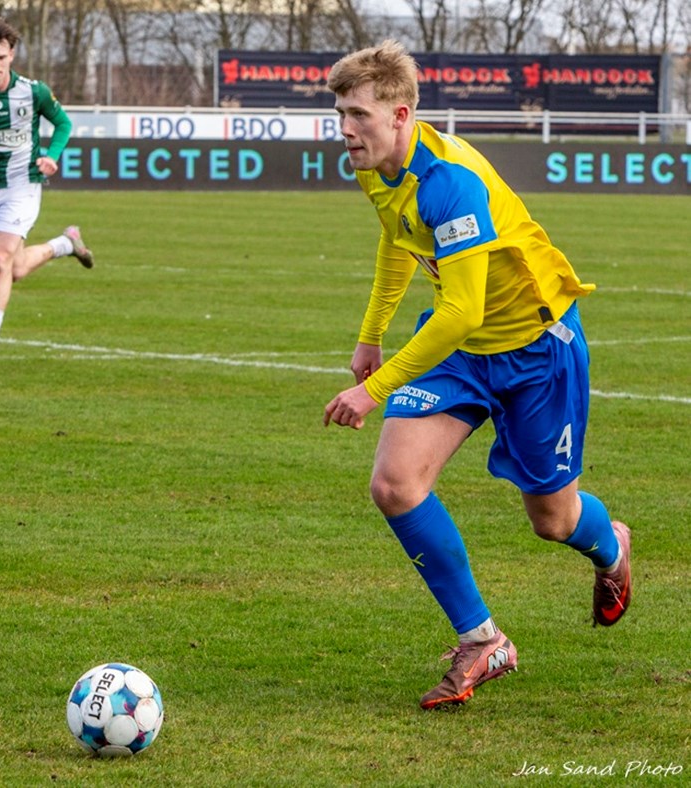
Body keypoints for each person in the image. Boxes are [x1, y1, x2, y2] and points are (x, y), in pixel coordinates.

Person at [322, 40, 632, 710]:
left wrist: (372, 390)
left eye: (358, 115)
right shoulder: (375, 165)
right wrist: (371, 334)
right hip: (463, 352)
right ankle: (483, 640)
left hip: (535, 348)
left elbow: (461, 312)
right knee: (395, 484)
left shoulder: (451, 181)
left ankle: (611, 547)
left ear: (401, 115)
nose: (345, 129)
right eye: (340, 113)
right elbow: (398, 239)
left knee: (553, 520)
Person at [0, 18, 95, 373]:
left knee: (0, 260)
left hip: (23, 184)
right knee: (16, 268)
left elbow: (63, 124)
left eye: (1, 57)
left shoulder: (33, 91)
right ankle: (66, 243)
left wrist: (52, 156)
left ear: (12, 55)